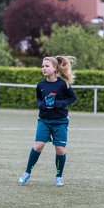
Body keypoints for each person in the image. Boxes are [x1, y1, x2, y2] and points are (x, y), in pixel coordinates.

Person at [18, 55, 77, 186]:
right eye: (42, 66)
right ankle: (27, 172)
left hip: (60, 121)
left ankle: (59, 176)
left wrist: (59, 103)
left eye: (47, 66)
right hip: (44, 120)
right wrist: (41, 105)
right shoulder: (41, 85)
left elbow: (72, 98)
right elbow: (39, 99)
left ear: (55, 68)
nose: (44, 68)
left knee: (60, 149)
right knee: (38, 146)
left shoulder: (63, 84)